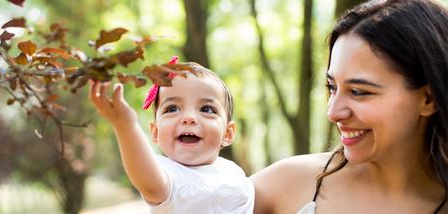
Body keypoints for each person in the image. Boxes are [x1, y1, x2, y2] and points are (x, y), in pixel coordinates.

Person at [251, 0, 448, 213]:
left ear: (429, 99)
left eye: (359, 92)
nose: (333, 113)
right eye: (332, 86)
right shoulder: (284, 185)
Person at [89, 58, 254, 214]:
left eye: (206, 109)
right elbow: (149, 184)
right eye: (172, 108)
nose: (189, 118)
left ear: (227, 133)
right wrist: (125, 126)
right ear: (155, 132)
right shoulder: (167, 173)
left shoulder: (232, 171)